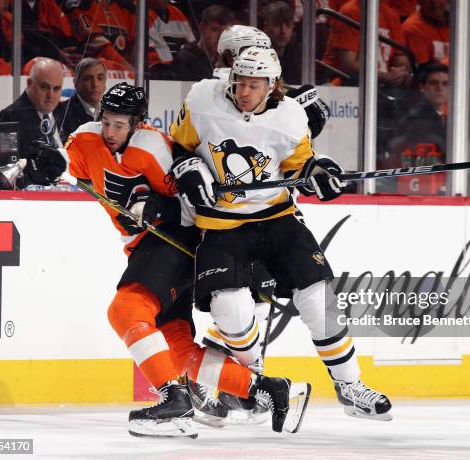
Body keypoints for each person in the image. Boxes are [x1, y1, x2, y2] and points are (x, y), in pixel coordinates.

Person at [28, 82, 312, 437]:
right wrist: (48, 165)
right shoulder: (86, 138)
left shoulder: (155, 148)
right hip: (144, 248)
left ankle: (174, 401)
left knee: (126, 309)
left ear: (137, 123)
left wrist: (158, 206)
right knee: (177, 348)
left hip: (176, 241)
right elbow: (68, 164)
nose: (111, 132)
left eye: (120, 124)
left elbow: (195, 204)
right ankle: (269, 390)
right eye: (107, 122)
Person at [169, 46, 393, 422]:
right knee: (230, 310)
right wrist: (187, 165)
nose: (244, 92)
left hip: (277, 219)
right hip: (223, 225)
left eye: (254, 85)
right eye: (240, 83)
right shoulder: (204, 100)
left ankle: (350, 387)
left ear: (271, 85)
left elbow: (298, 165)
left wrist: (319, 172)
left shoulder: (290, 116)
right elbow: (177, 145)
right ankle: (253, 379)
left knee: (319, 301)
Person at [0, 57, 65, 185]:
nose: (51, 95)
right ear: (29, 83)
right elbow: (2, 176)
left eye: (56, 89)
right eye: (44, 87)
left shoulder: (62, 112)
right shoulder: (10, 118)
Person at [169, 4, 234, 81]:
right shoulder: (184, 60)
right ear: (202, 28)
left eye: (225, 31)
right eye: (215, 30)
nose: (220, 36)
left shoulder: (228, 60)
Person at [59, 57, 107, 141]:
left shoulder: (113, 112)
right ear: (76, 83)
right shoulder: (61, 113)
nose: (95, 84)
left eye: (100, 78)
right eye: (88, 78)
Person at [260, 1, 302, 84]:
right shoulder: (257, 58)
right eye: (276, 25)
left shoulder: (298, 57)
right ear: (266, 27)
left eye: (288, 25)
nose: (283, 31)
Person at [402, 0, 450, 65]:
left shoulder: (460, 23)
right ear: (419, 2)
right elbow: (424, 68)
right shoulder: (412, 28)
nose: (434, 1)